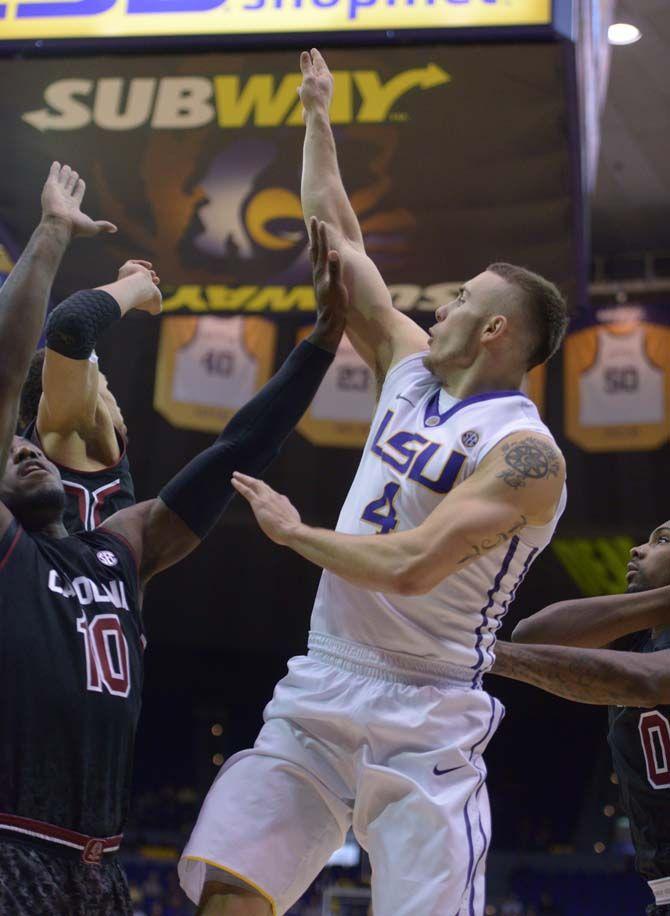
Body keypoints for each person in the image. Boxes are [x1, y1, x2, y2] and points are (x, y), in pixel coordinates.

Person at [178, 48, 569, 916]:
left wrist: (294, 534)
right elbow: (340, 243)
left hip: (426, 709)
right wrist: (317, 115)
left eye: (463, 296)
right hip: (324, 677)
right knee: (229, 896)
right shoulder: (409, 367)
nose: (444, 302)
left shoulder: (525, 456)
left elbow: (413, 567)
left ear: (496, 328)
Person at [0, 163, 347, 915]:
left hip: (96, 861)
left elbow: (234, 452)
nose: (26, 448)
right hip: (14, 840)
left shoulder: (119, 544)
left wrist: (321, 342)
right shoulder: (22, 523)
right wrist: (79, 250)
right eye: (12, 450)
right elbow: (34, 350)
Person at [489, 521, 670, 916]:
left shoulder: (648, 662)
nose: (637, 549)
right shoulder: (638, 640)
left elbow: (651, 680)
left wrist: (483, 654)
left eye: (663, 541)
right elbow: (532, 635)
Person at [18, 259, 162, 532]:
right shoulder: (69, 437)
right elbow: (73, 324)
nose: (116, 406)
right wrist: (136, 285)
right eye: (108, 390)